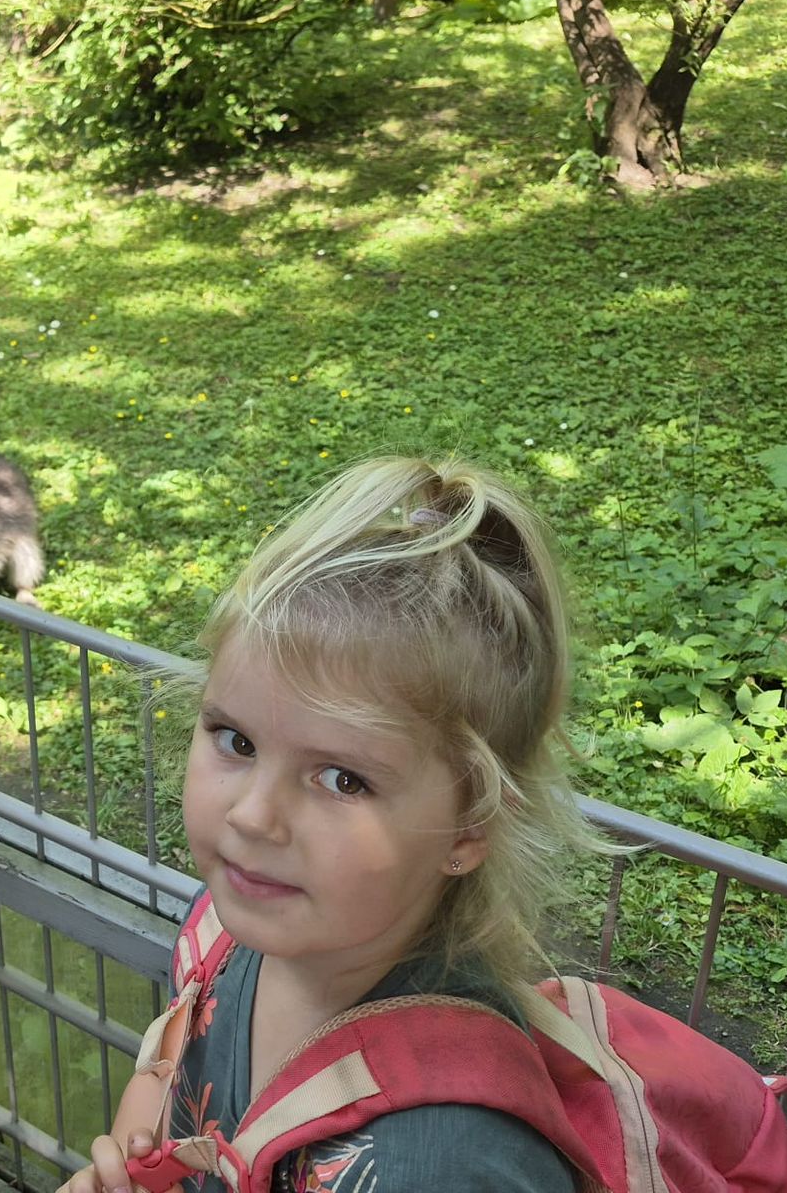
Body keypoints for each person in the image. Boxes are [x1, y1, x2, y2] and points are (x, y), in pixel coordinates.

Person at [62, 457, 596, 1193]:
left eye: (344, 779)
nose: (252, 816)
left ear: (470, 828)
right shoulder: (233, 928)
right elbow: (164, 1093)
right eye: (236, 740)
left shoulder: (440, 1168)